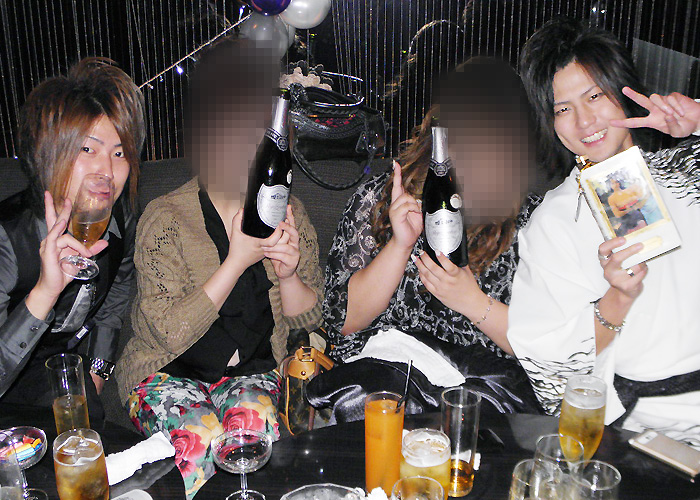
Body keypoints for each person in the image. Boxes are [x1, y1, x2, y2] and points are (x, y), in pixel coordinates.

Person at [115, 38, 324, 498]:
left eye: (257, 136)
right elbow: (165, 331)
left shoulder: (289, 213)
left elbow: (309, 321)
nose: (244, 149)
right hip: (167, 372)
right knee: (202, 442)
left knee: (255, 440)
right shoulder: (166, 219)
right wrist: (236, 261)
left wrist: (289, 276)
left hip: (252, 372)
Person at [509, 17, 700, 446]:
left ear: (622, 90)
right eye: (562, 108)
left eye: (594, 95)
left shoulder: (687, 171)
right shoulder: (554, 222)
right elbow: (550, 370)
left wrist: (698, 121)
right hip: (648, 431)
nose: (584, 121)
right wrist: (617, 298)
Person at [323, 58, 542, 412]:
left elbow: (548, 346)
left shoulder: (533, 220)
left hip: (484, 401)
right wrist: (400, 245)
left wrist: (472, 302)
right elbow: (342, 325)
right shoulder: (385, 198)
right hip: (382, 389)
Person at [0, 58, 145, 423]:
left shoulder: (122, 220)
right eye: (87, 149)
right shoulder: (7, 240)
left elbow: (116, 297)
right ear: (50, 153)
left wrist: (98, 370)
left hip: (62, 366)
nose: (107, 172)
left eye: (119, 153)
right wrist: (45, 292)